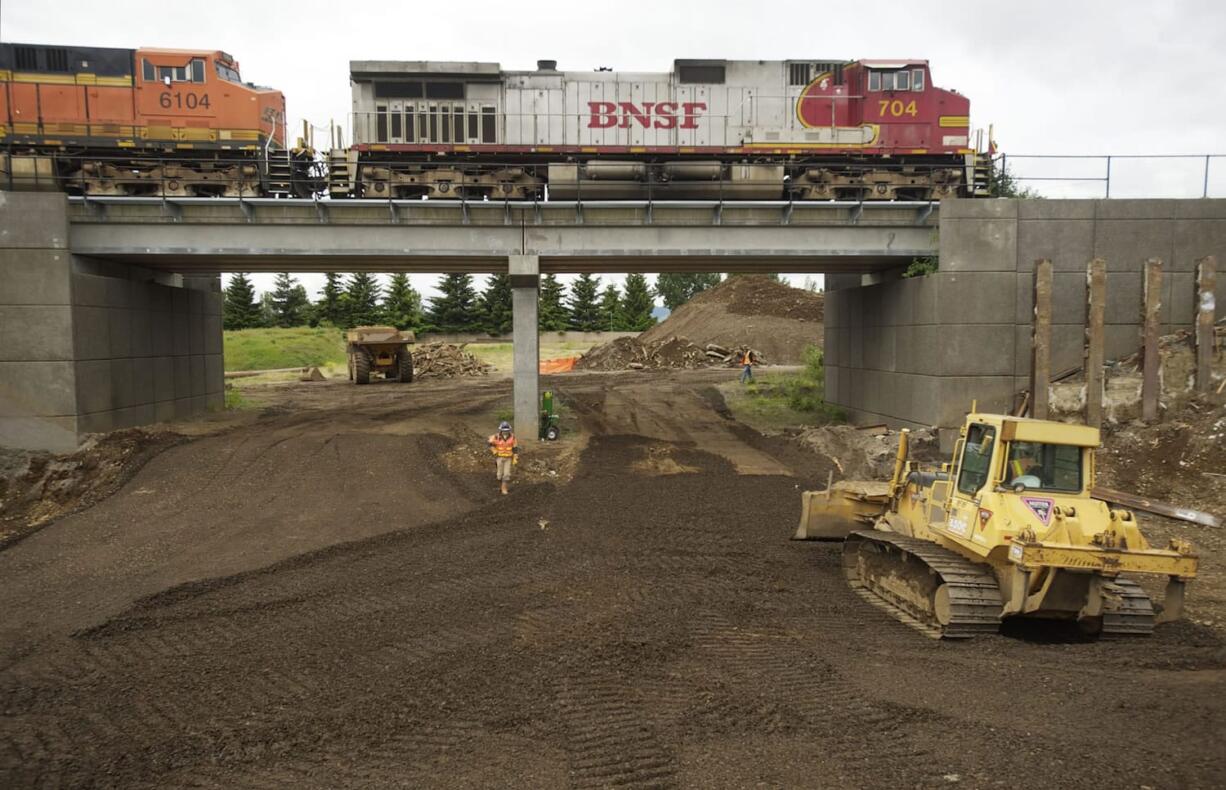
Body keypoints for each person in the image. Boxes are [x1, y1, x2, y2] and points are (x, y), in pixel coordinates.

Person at [488, 421, 518, 495]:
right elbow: (490, 444)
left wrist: (515, 457)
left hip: (508, 458)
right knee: (499, 475)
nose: (505, 432)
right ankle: (501, 486)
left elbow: (515, 448)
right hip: (499, 457)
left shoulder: (513, 437)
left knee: (506, 474)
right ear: (501, 430)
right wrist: (494, 451)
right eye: (504, 431)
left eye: (507, 431)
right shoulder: (496, 437)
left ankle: (504, 488)